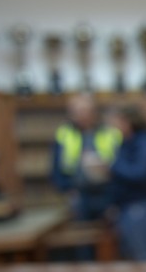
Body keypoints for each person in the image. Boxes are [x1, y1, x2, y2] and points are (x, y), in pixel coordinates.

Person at [51, 93, 122, 259]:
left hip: (107, 194)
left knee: (110, 239)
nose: (82, 115)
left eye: (86, 110)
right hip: (79, 195)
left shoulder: (110, 132)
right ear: (71, 113)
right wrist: (67, 190)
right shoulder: (64, 133)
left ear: (94, 111)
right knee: (83, 242)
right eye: (77, 111)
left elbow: (121, 163)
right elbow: (55, 167)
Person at [107, 104, 146, 261]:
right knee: (134, 253)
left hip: (142, 205)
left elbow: (141, 173)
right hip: (128, 205)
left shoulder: (144, 142)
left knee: (145, 254)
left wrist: (112, 167)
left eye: (116, 122)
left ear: (127, 122)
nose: (113, 126)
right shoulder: (125, 142)